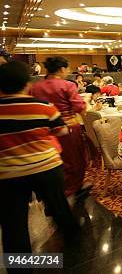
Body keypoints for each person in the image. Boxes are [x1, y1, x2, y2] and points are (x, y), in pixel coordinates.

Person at [0, 61, 80, 254]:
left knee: (13, 224)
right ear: (27, 84)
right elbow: (60, 131)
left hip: (8, 173)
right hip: (46, 167)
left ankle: (20, 266)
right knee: (59, 206)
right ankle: (74, 246)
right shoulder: (42, 106)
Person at [31, 56, 89, 198]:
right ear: (62, 69)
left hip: (43, 130)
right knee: (74, 160)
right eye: (67, 69)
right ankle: (72, 188)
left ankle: (55, 189)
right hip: (67, 128)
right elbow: (79, 107)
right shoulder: (67, 85)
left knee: (52, 160)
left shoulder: (36, 86)